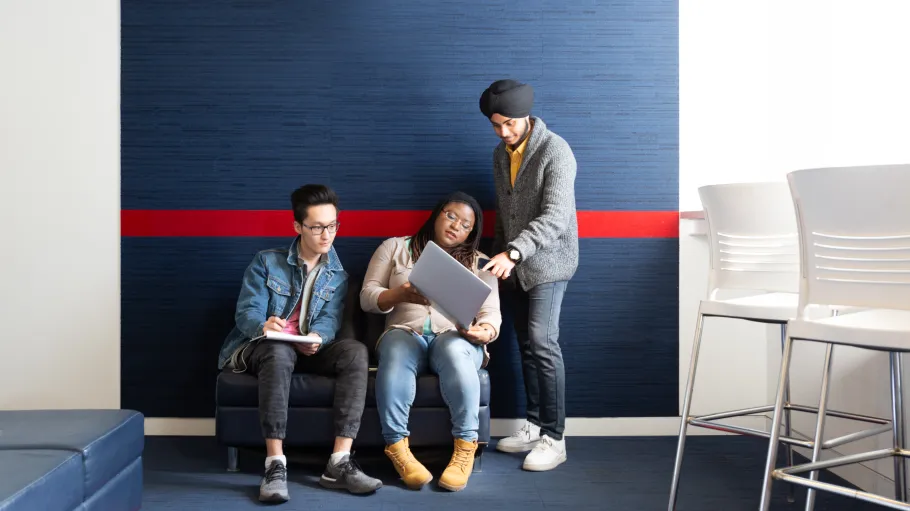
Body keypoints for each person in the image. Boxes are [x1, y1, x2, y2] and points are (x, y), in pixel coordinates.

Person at [217, 184, 382, 503]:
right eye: (317, 227)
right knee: (278, 351)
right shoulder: (266, 261)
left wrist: (318, 337)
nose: (326, 235)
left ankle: (339, 462)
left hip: (308, 349)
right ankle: (275, 464)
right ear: (298, 226)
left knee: (355, 352)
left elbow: (330, 318)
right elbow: (247, 311)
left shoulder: (337, 274)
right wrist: (263, 325)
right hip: (266, 345)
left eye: (332, 226)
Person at [360, 191, 502, 492]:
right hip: (405, 332)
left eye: (465, 225)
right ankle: (398, 449)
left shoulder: (481, 263)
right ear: (437, 214)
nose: (456, 226)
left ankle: (465, 449)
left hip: (455, 336)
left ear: (471, 233)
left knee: (455, 350)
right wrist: (398, 294)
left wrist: (485, 331)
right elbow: (367, 297)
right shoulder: (395, 247)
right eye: (451, 216)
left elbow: (491, 314)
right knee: (396, 350)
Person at [478, 79, 578, 471]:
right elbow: (505, 213)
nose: (504, 132)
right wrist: (499, 256)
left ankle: (555, 438)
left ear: (526, 116)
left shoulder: (556, 150)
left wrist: (515, 252)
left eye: (510, 124)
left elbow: (556, 216)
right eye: (496, 125)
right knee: (525, 344)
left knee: (542, 341)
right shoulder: (499, 155)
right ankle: (535, 426)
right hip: (514, 264)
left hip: (550, 261)